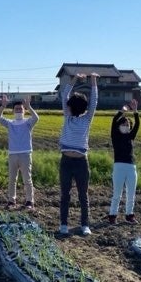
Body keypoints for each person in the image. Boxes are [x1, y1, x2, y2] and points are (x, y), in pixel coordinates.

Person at [58, 72, 99, 236]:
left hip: (82, 162)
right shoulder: (67, 117)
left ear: (73, 105)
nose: (67, 105)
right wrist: (74, 79)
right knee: (65, 194)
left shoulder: (87, 119)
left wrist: (93, 80)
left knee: (83, 195)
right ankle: (63, 224)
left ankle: (84, 224)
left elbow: (94, 102)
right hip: (66, 161)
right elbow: (65, 94)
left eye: (69, 104)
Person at [0, 94, 39, 209]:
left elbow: (36, 118)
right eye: (16, 109)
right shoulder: (10, 123)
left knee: (27, 179)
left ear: (24, 111)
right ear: (13, 111)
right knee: (12, 179)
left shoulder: (28, 123)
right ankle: (11, 201)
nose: (19, 110)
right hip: (13, 154)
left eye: (21, 109)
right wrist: (3, 106)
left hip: (25, 154)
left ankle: (30, 201)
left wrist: (29, 106)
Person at [108, 99, 140, 224]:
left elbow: (137, 125)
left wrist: (135, 111)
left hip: (131, 167)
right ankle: (112, 215)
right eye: (123, 124)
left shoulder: (130, 136)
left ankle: (129, 215)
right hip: (119, 167)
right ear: (119, 126)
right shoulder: (115, 136)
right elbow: (113, 122)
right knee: (117, 193)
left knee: (131, 194)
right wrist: (122, 112)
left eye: (127, 125)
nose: (126, 126)